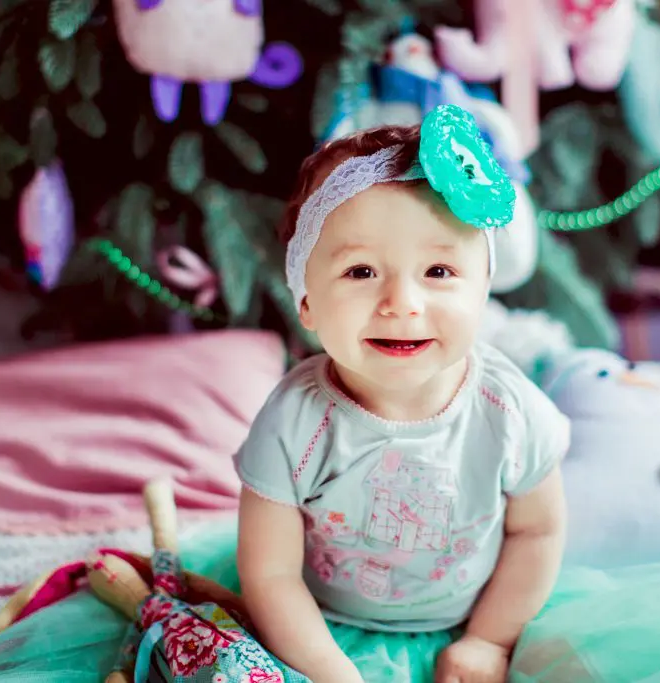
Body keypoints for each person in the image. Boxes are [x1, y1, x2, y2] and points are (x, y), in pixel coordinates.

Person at [234, 105, 571, 683]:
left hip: (483, 619)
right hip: (317, 631)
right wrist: (328, 670)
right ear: (305, 299)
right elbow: (271, 576)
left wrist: (490, 640)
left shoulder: (509, 411)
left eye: (439, 271)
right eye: (361, 272)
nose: (402, 303)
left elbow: (536, 530)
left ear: (484, 290)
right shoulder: (293, 423)